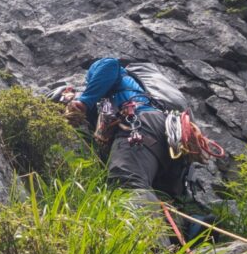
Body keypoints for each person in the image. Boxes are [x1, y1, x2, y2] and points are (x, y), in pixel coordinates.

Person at [63, 57, 188, 210]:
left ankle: (144, 233)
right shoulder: (120, 95)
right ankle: (185, 227)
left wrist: (84, 101)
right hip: (162, 139)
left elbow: (110, 64)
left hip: (138, 124)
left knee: (125, 183)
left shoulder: (111, 74)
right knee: (161, 199)